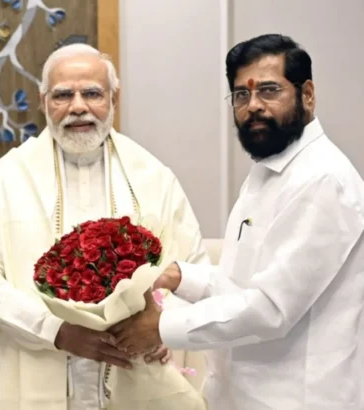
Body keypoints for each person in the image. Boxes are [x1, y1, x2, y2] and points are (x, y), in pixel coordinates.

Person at [110, 34, 364, 410]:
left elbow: (270, 309)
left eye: (269, 90)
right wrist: (186, 278)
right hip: (241, 396)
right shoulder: (269, 171)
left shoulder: (323, 180)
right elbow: (244, 284)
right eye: (241, 95)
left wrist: (160, 328)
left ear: (307, 94)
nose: (253, 106)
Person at [0, 43, 210, 410]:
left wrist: (161, 323)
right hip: (39, 359)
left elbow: (193, 267)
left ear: (114, 99)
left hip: (134, 372)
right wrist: (57, 332)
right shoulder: (8, 177)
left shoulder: (154, 176)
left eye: (92, 93)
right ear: (44, 101)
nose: (78, 106)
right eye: (63, 95)